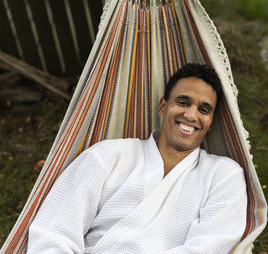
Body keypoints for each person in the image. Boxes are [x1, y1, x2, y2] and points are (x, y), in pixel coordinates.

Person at [27, 63, 247, 253]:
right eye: (183, 102)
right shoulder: (108, 155)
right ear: (163, 106)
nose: (191, 115)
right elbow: (54, 232)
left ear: (210, 122)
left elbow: (210, 246)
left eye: (204, 109)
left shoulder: (224, 175)